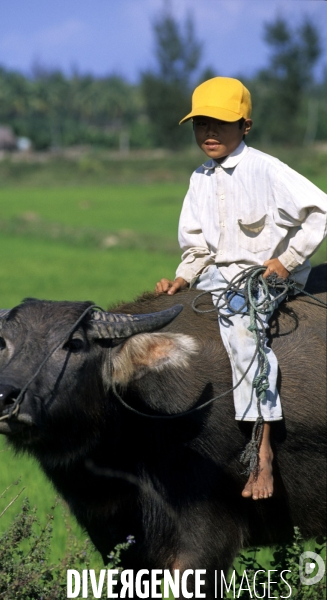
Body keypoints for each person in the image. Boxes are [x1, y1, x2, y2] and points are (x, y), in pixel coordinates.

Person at [155, 76, 327, 500]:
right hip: (220, 273)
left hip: (265, 275)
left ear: (245, 126)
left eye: (221, 124)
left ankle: (261, 451)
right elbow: (196, 245)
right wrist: (182, 277)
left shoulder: (266, 170)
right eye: (201, 124)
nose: (209, 133)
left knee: (244, 336)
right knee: (165, 317)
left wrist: (286, 261)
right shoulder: (200, 179)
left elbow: (320, 210)